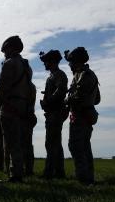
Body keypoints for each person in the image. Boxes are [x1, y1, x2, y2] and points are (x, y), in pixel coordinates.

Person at [0, 35, 35, 183]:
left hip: (10, 105)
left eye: (5, 50)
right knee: (20, 141)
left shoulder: (9, 64)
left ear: (10, 48)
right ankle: (20, 172)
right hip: (24, 106)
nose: (4, 53)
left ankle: (15, 175)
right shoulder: (26, 66)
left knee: (12, 143)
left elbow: (2, 90)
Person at [65, 47, 100, 185]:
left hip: (81, 115)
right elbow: (97, 99)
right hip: (84, 114)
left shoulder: (85, 75)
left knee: (77, 146)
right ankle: (88, 178)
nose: (69, 64)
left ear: (76, 61)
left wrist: (66, 100)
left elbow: (77, 97)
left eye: (71, 61)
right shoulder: (85, 74)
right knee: (84, 147)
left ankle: (84, 179)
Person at [39, 50, 68, 179]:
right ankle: (58, 172)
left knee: (51, 143)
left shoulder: (59, 75)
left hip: (55, 112)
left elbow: (61, 91)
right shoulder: (53, 75)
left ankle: (50, 173)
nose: (44, 63)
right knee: (54, 143)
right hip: (52, 112)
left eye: (46, 61)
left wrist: (48, 101)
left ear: (52, 62)